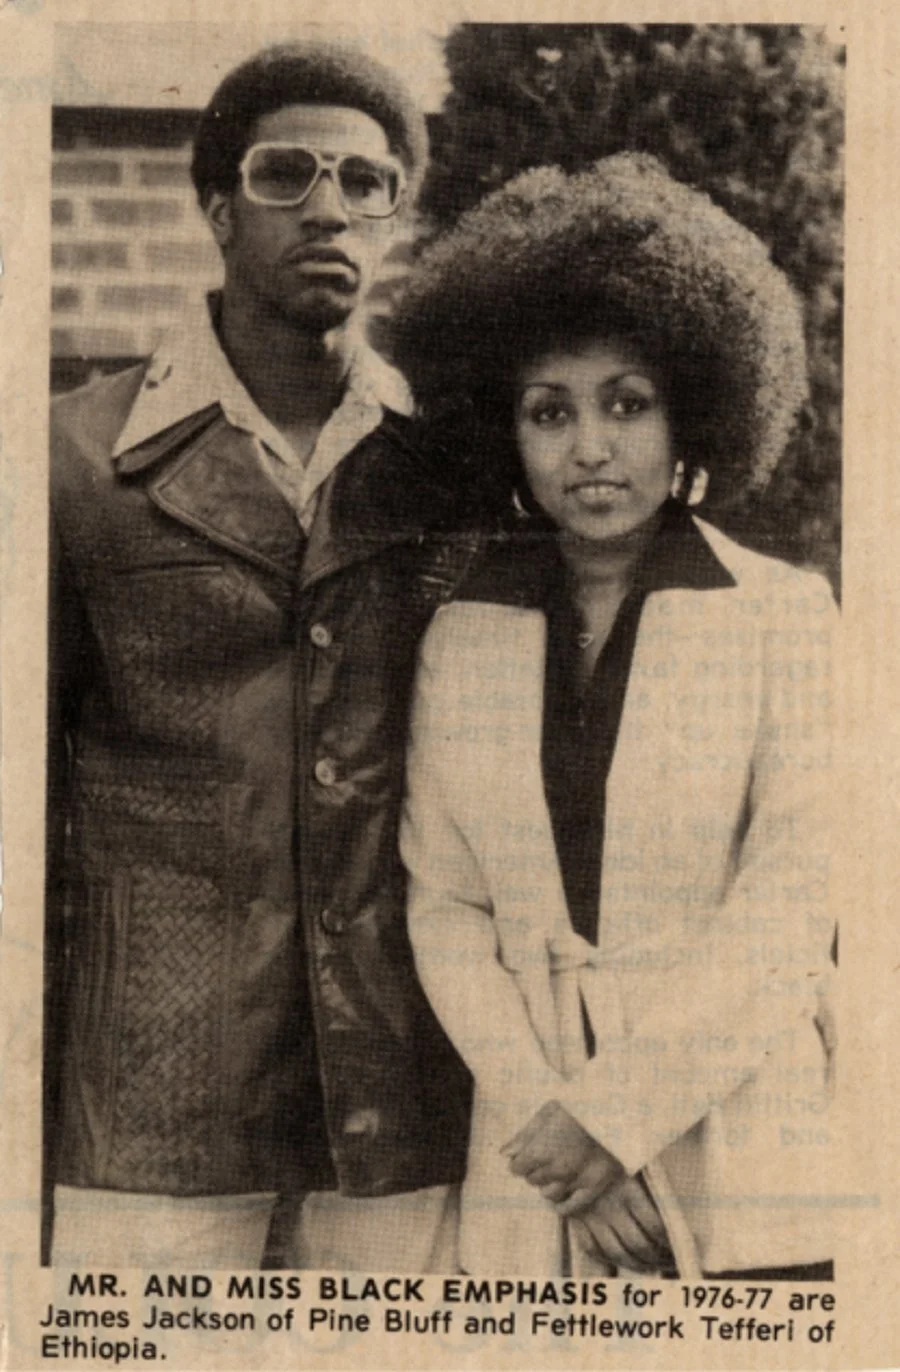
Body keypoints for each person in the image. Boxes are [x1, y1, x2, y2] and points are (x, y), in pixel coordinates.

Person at [45, 40, 476, 1270]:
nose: (329, 206)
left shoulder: (453, 466)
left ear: (394, 215)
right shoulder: (75, 460)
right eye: (288, 174)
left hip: (398, 1092)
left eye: (365, 179)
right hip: (152, 1099)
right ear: (219, 207)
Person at [393, 153, 837, 1278]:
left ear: (694, 412)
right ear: (509, 433)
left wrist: (614, 1121)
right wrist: (558, 1138)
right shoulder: (464, 632)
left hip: (739, 1149)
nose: (590, 446)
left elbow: (789, 914)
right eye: (551, 412)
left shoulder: (786, 617)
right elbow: (445, 906)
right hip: (531, 1166)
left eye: (627, 404)